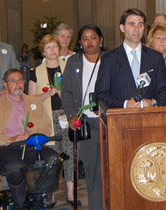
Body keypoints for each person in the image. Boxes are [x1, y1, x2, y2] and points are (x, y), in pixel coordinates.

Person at [0, 69, 58, 208]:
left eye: (20, 80)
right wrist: (12, 138)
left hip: (31, 145)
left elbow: (46, 127)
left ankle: (40, 199)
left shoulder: (34, 103)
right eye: (13, 81)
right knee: (16, 167)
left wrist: (33, 136)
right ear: (6, 85)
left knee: (53, 159)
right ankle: (20, 204)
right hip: (6, 147)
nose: (17, 83)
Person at [28, 34, 80, 207]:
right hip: (48, 119)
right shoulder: (35, 72)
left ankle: (71, 194)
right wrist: (48, 94)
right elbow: (31, 101)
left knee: (70, 153)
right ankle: (50, 194)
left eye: (55, 47)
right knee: (52, 157)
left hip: (68, 116)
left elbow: (78, 91)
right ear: (43, 51)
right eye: (48, 47)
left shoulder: (70, 67)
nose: (52, 50)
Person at [61, 24, 106, 210]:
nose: (89, 42)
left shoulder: (111, 59)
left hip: (108, 121)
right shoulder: (74, 62)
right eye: (85, 38)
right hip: (86, 123)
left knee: (112, 168)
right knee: (93, 171)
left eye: (93, 37)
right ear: (79, 42)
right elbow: (66, 91)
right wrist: (72, 114)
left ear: (100, 39)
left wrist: (106, 106)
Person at [94, 8, 166, 109]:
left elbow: (165, 91)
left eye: (140, 24)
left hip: (150, 119)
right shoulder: (109, 59)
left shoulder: (156, 57)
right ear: (122, 28)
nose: (136, 29)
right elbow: (100, 95)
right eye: (131, 24)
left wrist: (152, 102)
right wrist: (125, 104)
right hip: (120, 119)